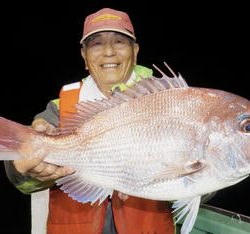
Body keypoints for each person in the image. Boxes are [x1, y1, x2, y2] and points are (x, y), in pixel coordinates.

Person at [4, 7, 175, 234]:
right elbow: (20, 179)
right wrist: (29, 171)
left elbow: (201, 180)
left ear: (135, 50)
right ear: (84, 55)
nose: (109, 52)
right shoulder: (59, 108)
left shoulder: (167, 101)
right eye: (96, 44)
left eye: (119, 42)